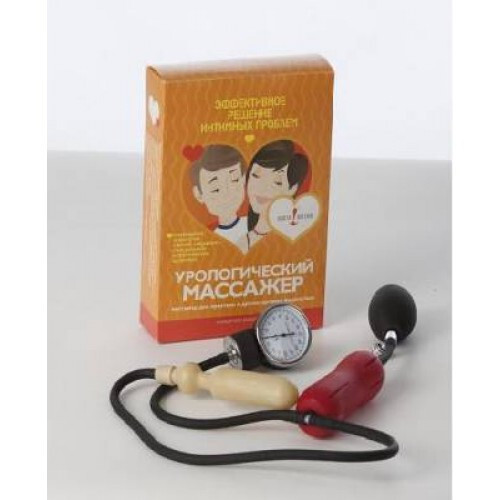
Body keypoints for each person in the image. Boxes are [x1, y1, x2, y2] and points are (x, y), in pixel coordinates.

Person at [239, 140, 309, 252]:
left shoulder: (297, 237)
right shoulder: (243, 243)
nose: (262, 188)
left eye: (277, 182)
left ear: (292, 189)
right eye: (256, 175)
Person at [189, 144, 247, 245]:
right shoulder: (204, 237)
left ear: (243, 179)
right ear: (198, 194)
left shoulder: (255, 226)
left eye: (234, 180)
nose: (227, 192)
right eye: (215, 189)